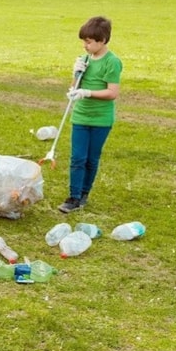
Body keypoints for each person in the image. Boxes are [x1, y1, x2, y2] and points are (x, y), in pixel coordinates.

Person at [58, 16, 122, 213]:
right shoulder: (84, 59)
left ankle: (85, 192)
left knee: (91, 159)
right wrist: (76, 76)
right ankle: (73, 197)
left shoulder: (112, 62)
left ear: (101, 41)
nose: (84, 46)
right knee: (77, 157)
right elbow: (74, 87)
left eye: (88, 42)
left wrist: (88, 93)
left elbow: (112, 93)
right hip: (81, 117)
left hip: (101, 119)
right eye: (83, 41)